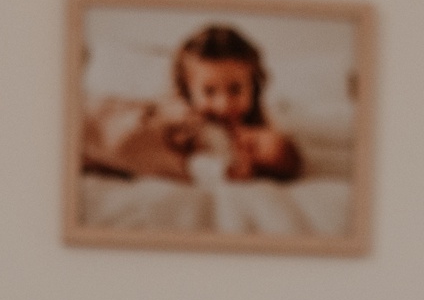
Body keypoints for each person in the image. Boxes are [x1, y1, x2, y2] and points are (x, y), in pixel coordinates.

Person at [79, 23, 302, 187]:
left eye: (235, 89)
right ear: (188, 91)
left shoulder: (251, 130)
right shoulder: (183, 111)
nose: (224, 104)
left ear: (254, 86)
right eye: (209, 91)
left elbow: (276, 147)